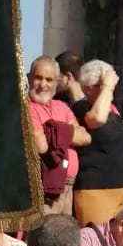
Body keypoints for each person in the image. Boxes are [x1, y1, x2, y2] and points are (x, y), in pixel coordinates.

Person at [68, 61, 123, 227]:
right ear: (88, 89)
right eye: (105, 85)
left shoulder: (113, 112)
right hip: (97, 189)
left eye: (113, 85)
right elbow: (96, 119)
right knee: (96, 243)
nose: (112, 89)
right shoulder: (81, 107)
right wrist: (107, 86)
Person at [28, 55, 87, 213]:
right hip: (43, 189)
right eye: (38, 78)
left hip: (68, 186)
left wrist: (54, 130)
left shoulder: (62, 107)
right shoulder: (26, 107)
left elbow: (85, 137)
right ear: (30, 78)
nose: (43, 84)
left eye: (49, 80)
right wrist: (67, 131)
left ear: (56, 83)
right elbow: (41, 146)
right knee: (42, 236)